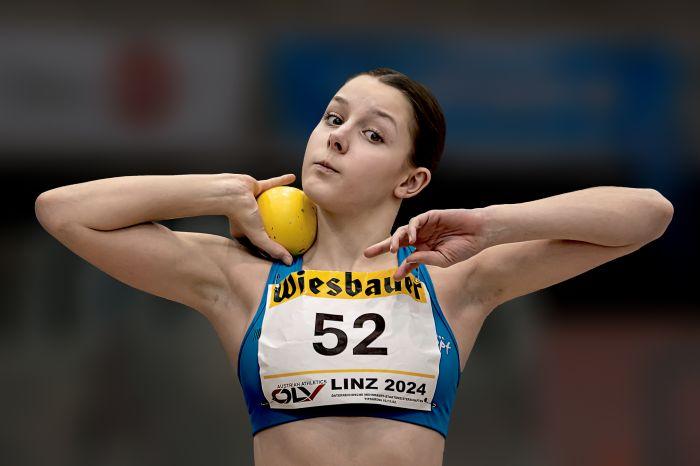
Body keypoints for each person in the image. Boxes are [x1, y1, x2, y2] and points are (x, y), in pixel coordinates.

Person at [35, 67, 674, 466]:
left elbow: (648, 214)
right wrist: (221, 192)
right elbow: (63, 211)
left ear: (411, 181)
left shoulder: (452, 280)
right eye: (333, 118)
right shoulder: (241, 277)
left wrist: (495, 225)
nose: (336, 136)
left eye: (373, 134)